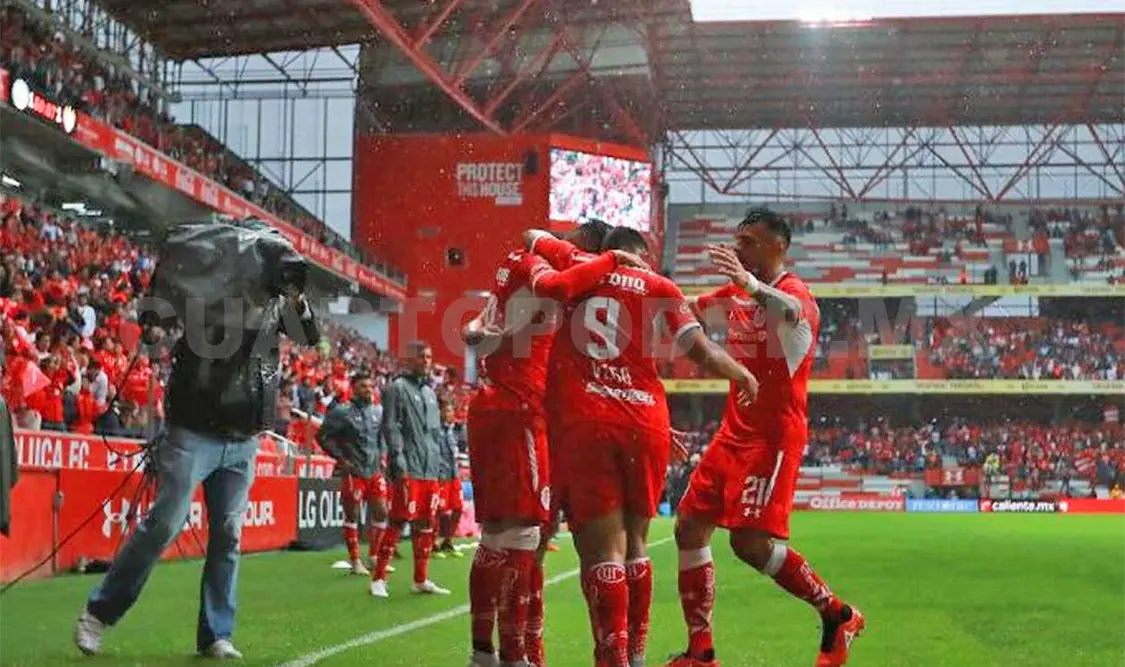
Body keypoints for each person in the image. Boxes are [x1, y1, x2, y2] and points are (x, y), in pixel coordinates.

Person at [529, 226, 757, 667]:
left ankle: (612, 661)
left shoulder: (582, 267)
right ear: (645, 254)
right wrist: (743, 375)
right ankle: (635, 656)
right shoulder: (660, 285)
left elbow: (532, 236)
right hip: (647, 421)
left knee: (602, 552)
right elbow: (702, 352)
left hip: (587, 419)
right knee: (636, 543)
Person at [74, 279, 319, 660]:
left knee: (228, 536)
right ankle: (99, 612)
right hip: (193, 434)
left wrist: (297, 300)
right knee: (164, 524)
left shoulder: (273, 307)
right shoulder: (208, 296)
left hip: (243, 439)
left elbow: (309, 335)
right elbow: (168, 318)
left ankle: (215, 634)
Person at [664, 208, 864, 667]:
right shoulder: (738, 292)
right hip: (732, 431)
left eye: (749, 241)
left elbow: (793, 310)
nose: (739, 250)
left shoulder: (795, 296)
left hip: (772, 438)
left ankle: (837, 615)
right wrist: (649, 287)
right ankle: (702, 652)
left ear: (778, 245)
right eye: (737, 241)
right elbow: (691, 306)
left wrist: (750, 285)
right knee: (689, 527)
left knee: (749, 545)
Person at [462, 224, 633, 667]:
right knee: (522, 535)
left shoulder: (513, 265)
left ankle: (486, 654)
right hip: (519, 410)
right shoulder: (538, 263)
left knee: (500, 534)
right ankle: (515, 654)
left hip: (500, 405)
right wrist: (613, 260)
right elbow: (555, 281)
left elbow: (477, 327)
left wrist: (482, 329)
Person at [369, 341, 450, 598]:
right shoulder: (396, 388)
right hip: (409, 467)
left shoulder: (429, 393)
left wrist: (439, 467)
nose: (426, 361)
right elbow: (391, 427)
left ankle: (421, 578)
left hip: (430, 469)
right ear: (408, 359)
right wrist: (399, 462)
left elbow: (434, 434)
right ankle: (378, 578)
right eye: (421, 356)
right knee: (399, 519)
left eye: (428, 356)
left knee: (428, 522)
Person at [317, 372, 387, 577]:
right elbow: (323, 437)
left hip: (374, 470)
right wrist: (340, 458)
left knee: (382, 511)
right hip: (353, 470)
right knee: (352, 513)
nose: (369, 389)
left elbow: (381, 437)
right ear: (354, 388)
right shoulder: (341, 412)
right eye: (364, 386)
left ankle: (373, 557)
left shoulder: (378, 411)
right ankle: (355, 559)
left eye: (371, 386)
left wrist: (382, 456)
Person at [434, 404, 464, 559]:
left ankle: (448, 541)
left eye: (451, 411)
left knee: (458, 508)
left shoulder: (456, 430)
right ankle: (433, 543)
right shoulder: (435, 431)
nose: (449, 414)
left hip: (454, 475)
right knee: (440, 510)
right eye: (446, 411)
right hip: (441, 475)